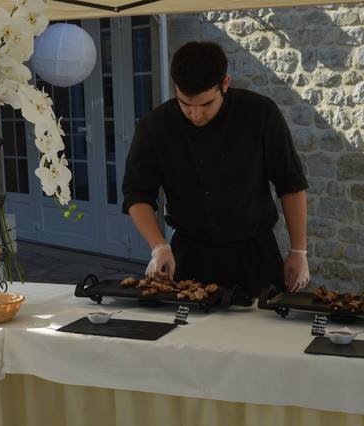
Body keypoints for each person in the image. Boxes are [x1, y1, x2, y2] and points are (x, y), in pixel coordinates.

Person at [122, 41, 311, 296]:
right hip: (189, 254)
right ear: (176, 88)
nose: (195, 115)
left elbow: (290, 183)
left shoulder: (261, 114)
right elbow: (137, 194)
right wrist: (158, 247)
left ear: (225, 83)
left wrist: (299, 251)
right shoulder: (154, 127)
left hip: (254, 254)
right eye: (185, 104)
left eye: (206, 104)